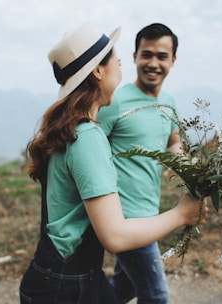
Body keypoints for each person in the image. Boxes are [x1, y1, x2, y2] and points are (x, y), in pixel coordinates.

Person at [19, 24, 208, 303]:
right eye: (117, 60)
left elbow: (172, 143)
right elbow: (116, 236)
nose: (120, 66)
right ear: (98, 71)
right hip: (64, 287)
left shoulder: (74, 129)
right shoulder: (88, 137)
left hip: (72, 276)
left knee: (122, 290)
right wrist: (181, 215)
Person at [96, 23, 181, 303]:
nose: (153, 63)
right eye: (147, 55)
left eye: (161, 56)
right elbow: (91, 149)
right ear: (134, 57)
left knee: (125, 287)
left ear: (172, 60)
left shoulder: (168, 103)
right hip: (125, 218)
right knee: (156, 296)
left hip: (149, 215)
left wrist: (194, 172)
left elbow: (172, 143)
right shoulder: (115, 101)